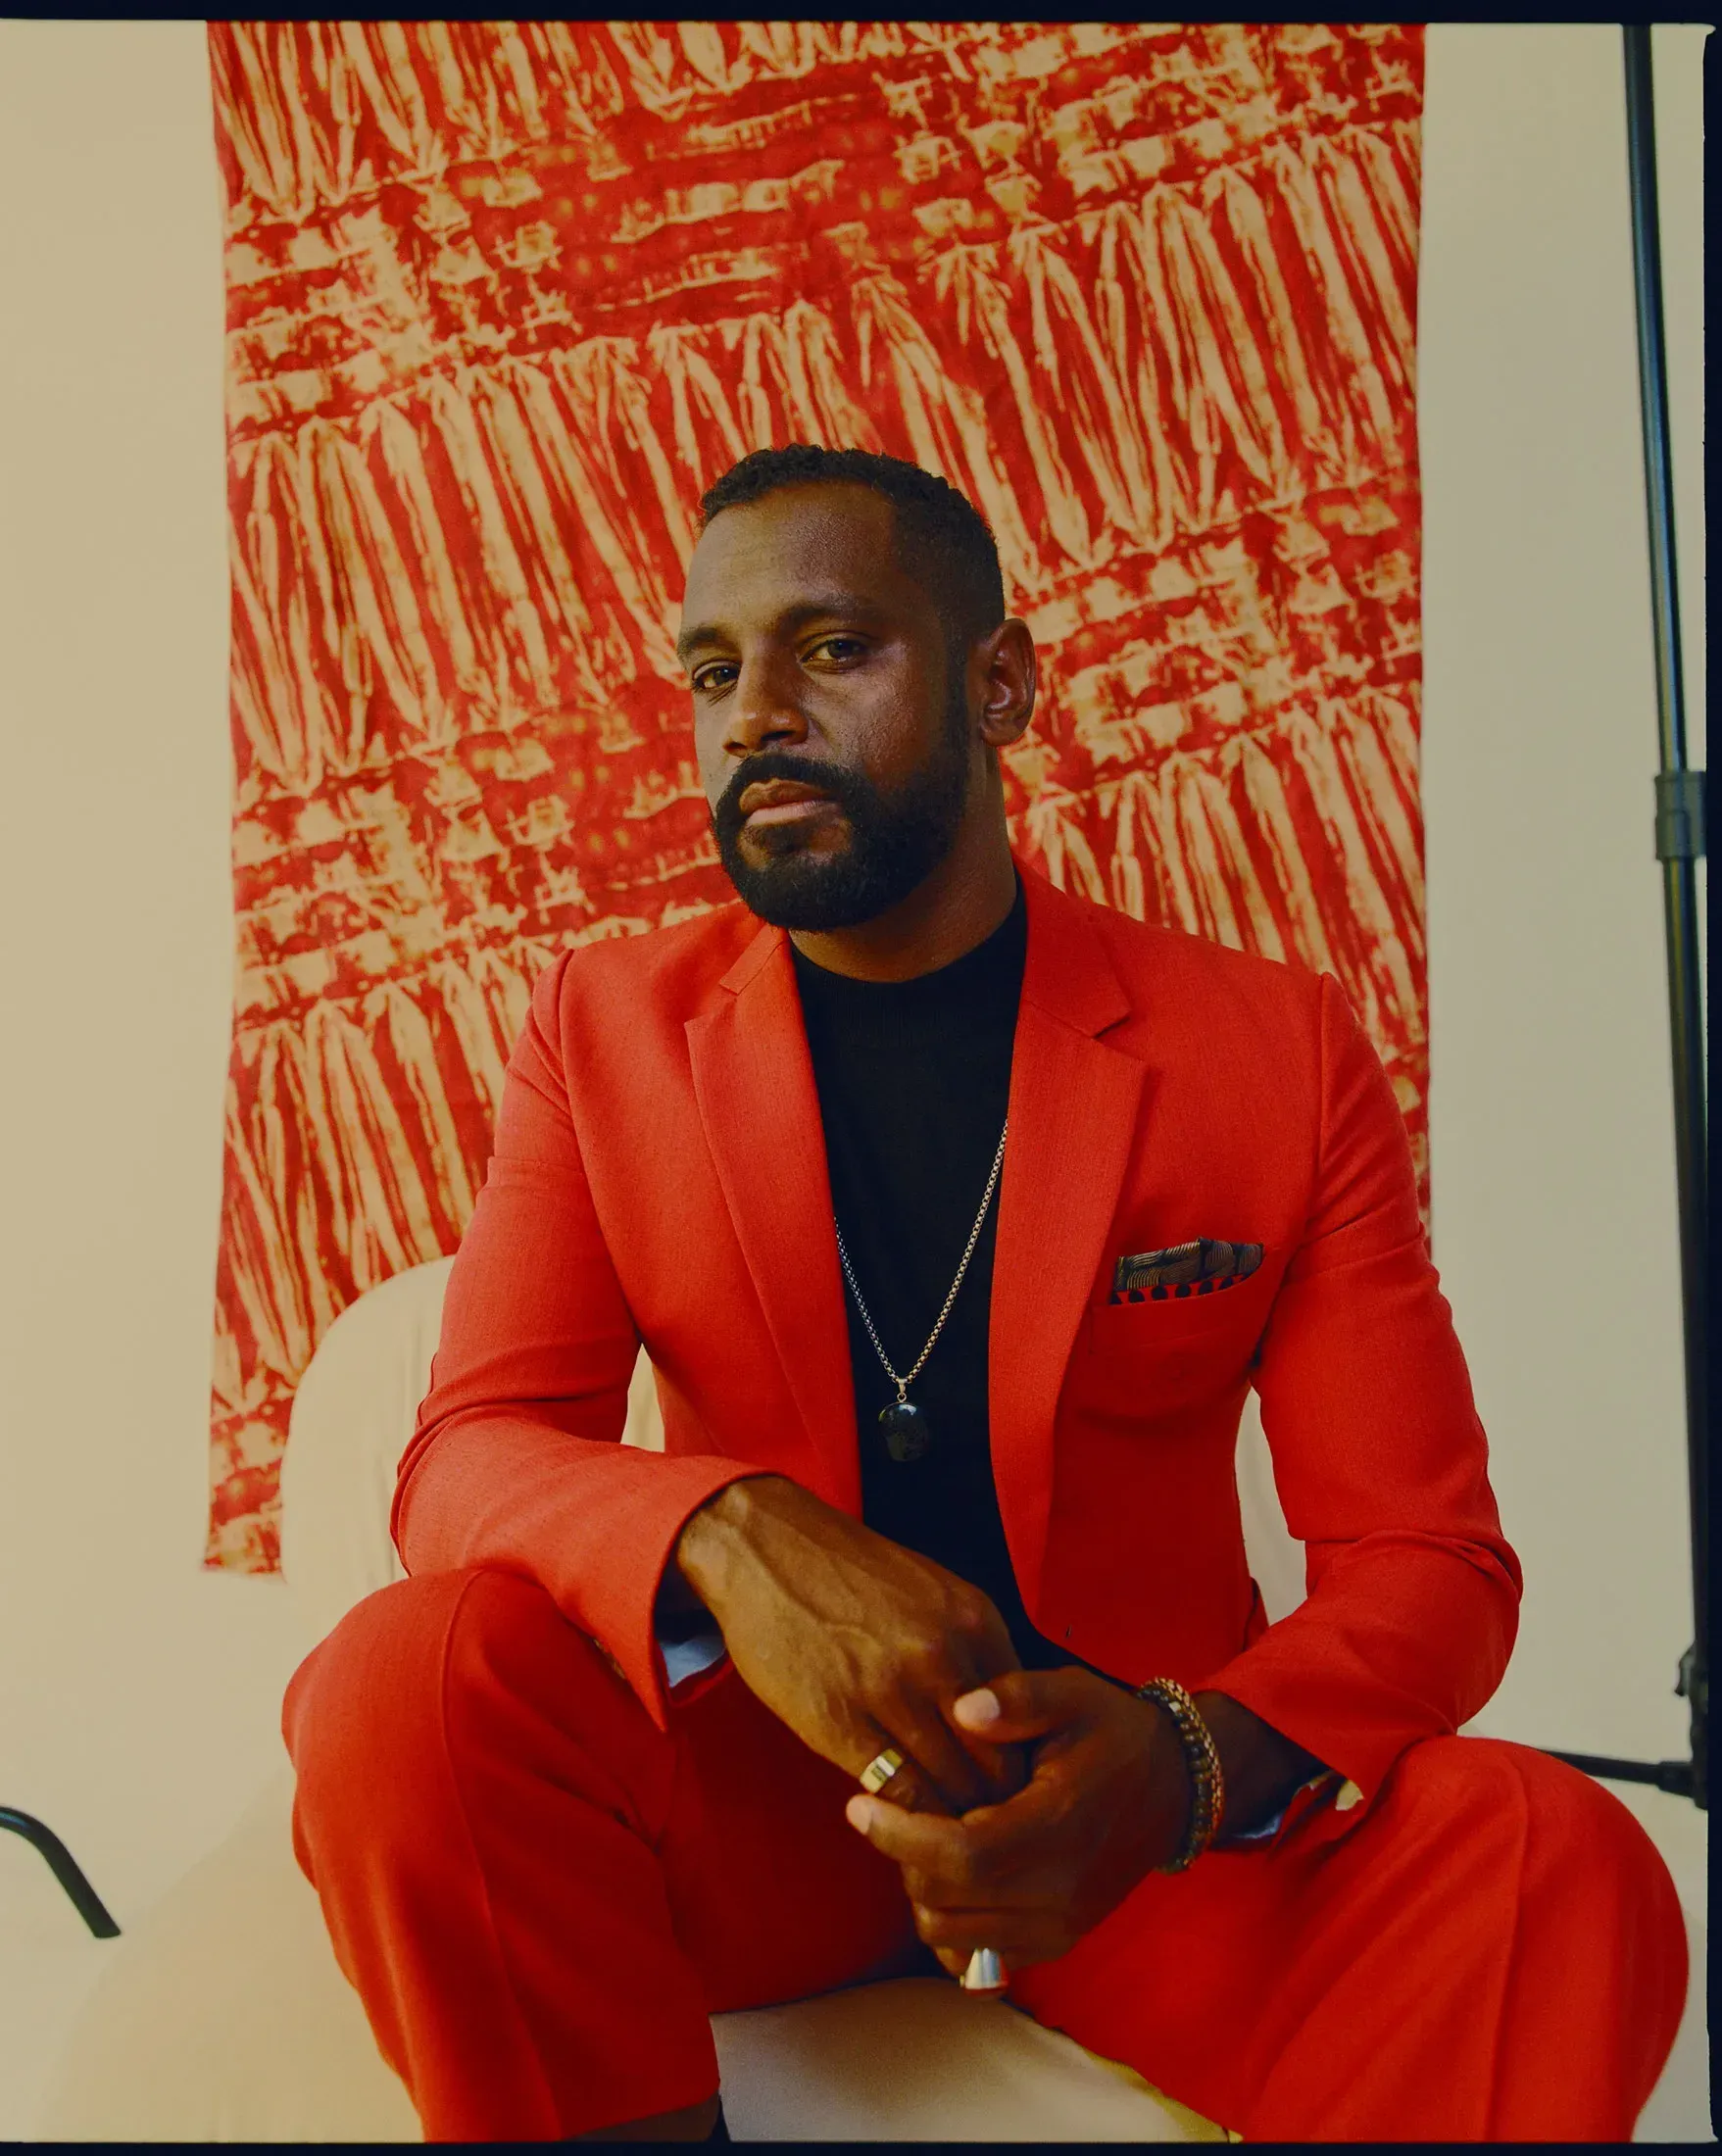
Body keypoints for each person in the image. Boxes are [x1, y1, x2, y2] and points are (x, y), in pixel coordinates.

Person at [283, 445, 1687, 2143]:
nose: (755, 718)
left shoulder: (1273, 1048)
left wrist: (1182, 1767)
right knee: (403, 1683)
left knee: (1552, 1852)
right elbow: (469, 1454)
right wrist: (730, 1531)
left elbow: (1428, 1563)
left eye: (834, 648)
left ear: (1000, 683)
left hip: (1128, 1832)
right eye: (714, 673)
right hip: (760, 1821)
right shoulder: (603, 1032)